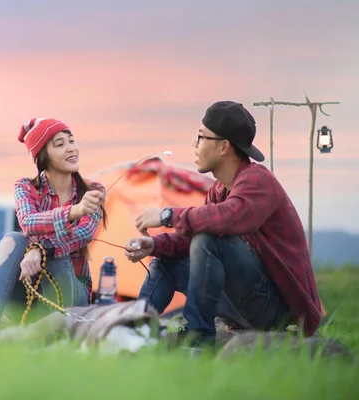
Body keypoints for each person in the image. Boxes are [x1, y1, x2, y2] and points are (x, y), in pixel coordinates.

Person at [124, 101, 323, 348]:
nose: (194, 146)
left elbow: (230, 218)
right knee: (166, 259)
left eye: (200, 138)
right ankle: (134, 331)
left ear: (223, 146)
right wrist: (153, 244)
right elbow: (191, 240)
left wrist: (167, 215)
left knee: (209, 237)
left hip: (272, 308)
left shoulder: (258, 180)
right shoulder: (219, 189)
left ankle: (199, 337)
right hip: (241, 301)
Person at [0, 117, 107, 342]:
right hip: (29, 289)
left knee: (59, 253)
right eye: (60, 144)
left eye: (72, 141)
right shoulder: (26, 187)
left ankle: (52, 335)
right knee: (13, 239)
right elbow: (27, 222)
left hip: (70, 292)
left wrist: (41, 249)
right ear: (43, 156)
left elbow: (83, 235)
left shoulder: (93, 190)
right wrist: (74, 211)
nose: (71, 148)